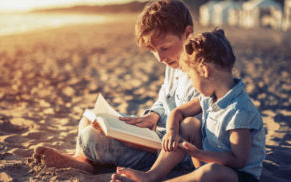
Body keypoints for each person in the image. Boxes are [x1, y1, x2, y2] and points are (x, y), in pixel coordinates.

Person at [33, 0, 199, 174]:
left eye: (164, 48)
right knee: (90, 118)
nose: (160, 58)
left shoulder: (201, 76)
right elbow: (164, 98)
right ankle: (80, 158)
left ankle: (84, 159)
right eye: (154, 50)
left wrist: (133, 141)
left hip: (169, 151)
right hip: (156, 131)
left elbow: (192, 137)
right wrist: (154, 115)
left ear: (187, 33)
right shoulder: (174, 64)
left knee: (90, 136)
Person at [111, 29, 266, 182]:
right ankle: (151, 175)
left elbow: (238, 160)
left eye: (191, 76)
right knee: (189, 124)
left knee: (211, 172)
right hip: (205, 162)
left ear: (204, 71)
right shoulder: (209, 98)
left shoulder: (239, 111)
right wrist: (172, 132)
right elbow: (178, 112)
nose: (191, 82)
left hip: (236, 176)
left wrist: (199, 154)